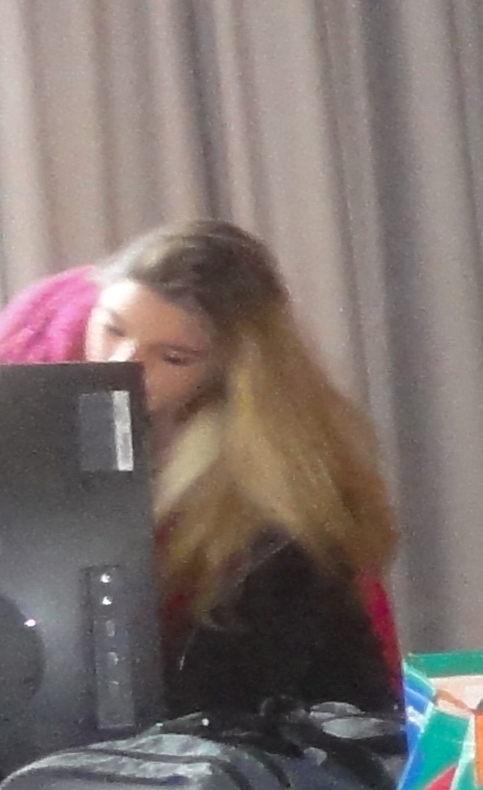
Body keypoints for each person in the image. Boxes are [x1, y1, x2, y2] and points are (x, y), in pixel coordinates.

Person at [7, 225, 401, 715]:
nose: (123, 364)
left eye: (173, 357)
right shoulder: (37, 357)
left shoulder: (275, 509)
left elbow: (222, 704)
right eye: (112, 329)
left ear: (227, 371)